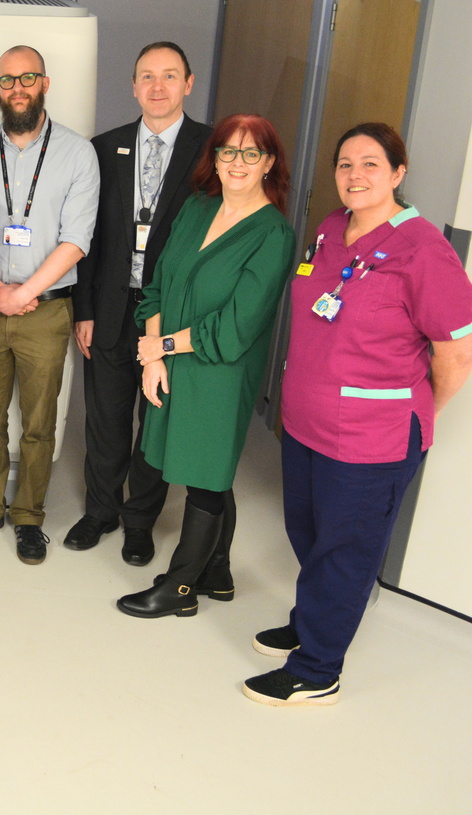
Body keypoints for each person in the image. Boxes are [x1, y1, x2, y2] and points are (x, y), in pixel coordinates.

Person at [244, 123, 472, 706]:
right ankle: (311, 620)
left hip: (373, 436)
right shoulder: (328, 230)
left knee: (346, 548)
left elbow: (459, 350)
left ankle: (318, 668)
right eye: (345, 164)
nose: (355, 175)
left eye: (371, 164)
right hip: (305, 421)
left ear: (398, 173)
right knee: (307, 530)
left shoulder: (425, 250)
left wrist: (419, 411)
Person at [116, 114, 294, 618]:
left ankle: (179, 588)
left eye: (251, 153)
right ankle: (216, 568)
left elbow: (236, 326)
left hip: (219, 372)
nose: (237, 163)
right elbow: (156, 287)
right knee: (202, 467)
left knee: (207, 474)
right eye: (227, 152)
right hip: (170, 360)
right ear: (213, 159)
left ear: (269, 163)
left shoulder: (274, 235)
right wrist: (153, 356)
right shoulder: (197, 209)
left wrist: (161, 349)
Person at [0, 46, 99, 565]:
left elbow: (76, 240)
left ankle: (30, 516)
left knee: (39, 420)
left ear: (45, 83)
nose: (17, 88)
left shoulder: (79, 154)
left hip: (47, 311)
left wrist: (25, 292)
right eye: (7, 80)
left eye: (27, 78)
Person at [69, 42, 212, 568]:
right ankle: (101, 511)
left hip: (170, 316)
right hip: (108, 307)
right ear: (132, 86)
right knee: (105, 418)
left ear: (188, 84)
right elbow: (85, 237)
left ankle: (139, 522)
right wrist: (82, 309)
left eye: (169, 76)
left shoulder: (212, 151)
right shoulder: (102, 149)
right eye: (147, 76)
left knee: (155, 419)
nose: (157, 87)